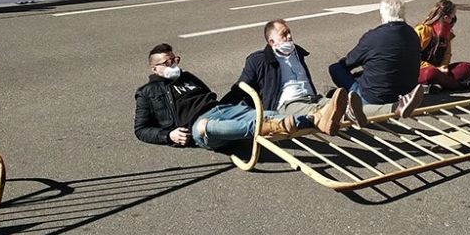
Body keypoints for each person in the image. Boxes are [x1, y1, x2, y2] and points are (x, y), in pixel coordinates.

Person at [134, 43, 346, 151]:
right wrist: (168, 135)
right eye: (167, 62)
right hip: (199, 126)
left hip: (220, 109)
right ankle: (275, 126)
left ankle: (317, 119)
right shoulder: (147, 92)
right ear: (154, 68)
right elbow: (141, 130)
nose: (173, 64)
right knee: (208, 126)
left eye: (175, 59)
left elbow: (208, 96)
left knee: (266, 114)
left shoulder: (187, 77)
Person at [235, 20, 360, 129]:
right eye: (284, 34)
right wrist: (230, 108)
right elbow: (242, 86)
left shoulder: (297, 53)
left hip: (313, 99)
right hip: (288, 105)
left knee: (341, 104)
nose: (289, 36)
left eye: (289, 32)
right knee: (321, 109)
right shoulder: (259, 60)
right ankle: (336, 114)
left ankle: (350, 111)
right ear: (272, 41)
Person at [328, 0, 425, 125]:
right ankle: (401, 102)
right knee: (376, 69)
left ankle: (357, 101)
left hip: (375, 96)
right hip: (407, 91)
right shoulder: (413, 34)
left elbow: (349, 62)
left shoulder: (373, 36)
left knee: (335, 68)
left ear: (382, 14)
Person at [415, 0, 470, 91]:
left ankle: (438, 84)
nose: (454, 19)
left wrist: (444, 66)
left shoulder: (446, 32)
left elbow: (447, 54)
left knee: (467, 67)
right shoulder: (423, 30)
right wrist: (434, 68)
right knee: (431, 73)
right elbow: (412, 57)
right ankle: (459, 85)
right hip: (420, 69)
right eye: (452, 16)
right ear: (445, 18)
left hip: (439, 69)